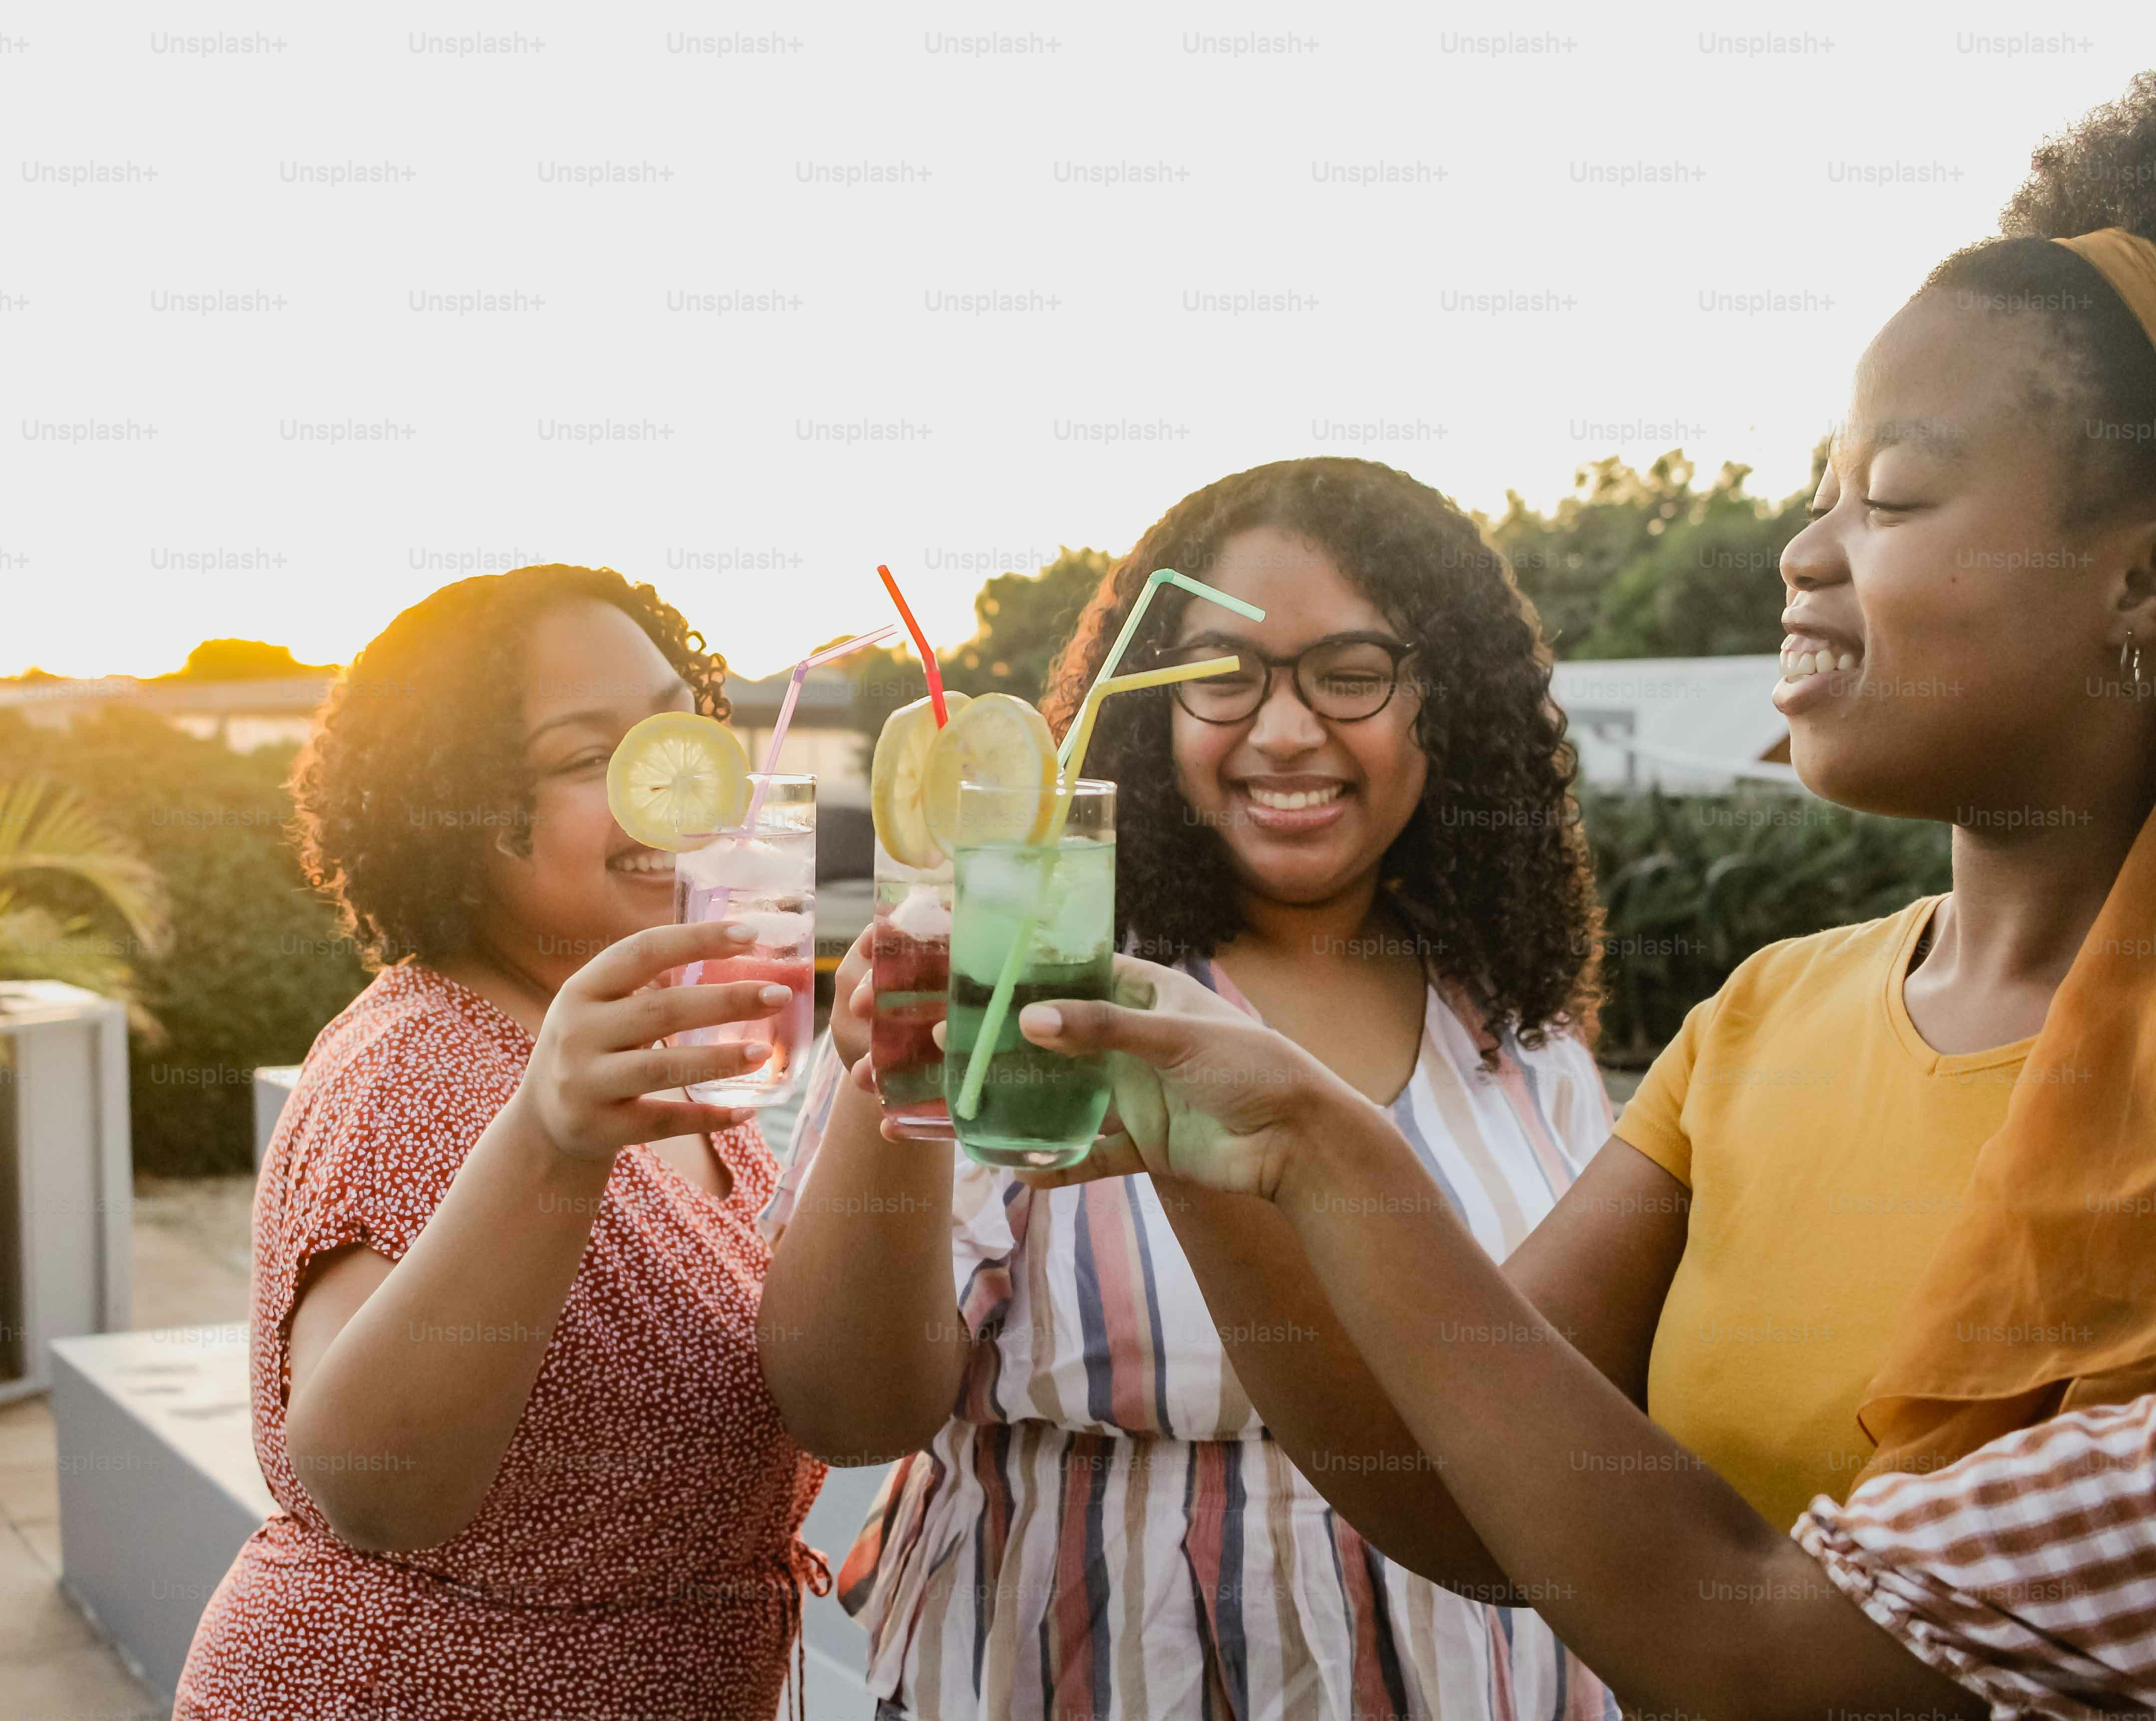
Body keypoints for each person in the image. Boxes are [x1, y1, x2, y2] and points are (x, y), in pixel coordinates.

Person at [976, 72, 2156, 1718]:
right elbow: (1443, 1478)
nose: (1800, 554)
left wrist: (1322, 1143)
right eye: (1817, 490)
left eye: (1887, 497)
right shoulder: (1766, 1014)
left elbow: (1758, 1649)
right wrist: (1218, 1153)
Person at [761, 459, 1619, 1717]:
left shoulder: (1523, 1037)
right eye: (1224, 677)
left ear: (1451, 703)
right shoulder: (1036, 982)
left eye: (1351, 674)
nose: (1282, 731)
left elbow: (1585, 1423)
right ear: (1153, 709)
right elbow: (844, 1410)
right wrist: (890, 1092)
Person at [174, 565, 828, 1721]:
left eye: (682, 730)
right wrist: (550, 1143)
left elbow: (844, 1411)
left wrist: (885, 1093)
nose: (672, 791)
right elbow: (369, 1488)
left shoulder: (663, 1050)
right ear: (457, 807)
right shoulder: (421, 1065)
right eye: (590, 758)